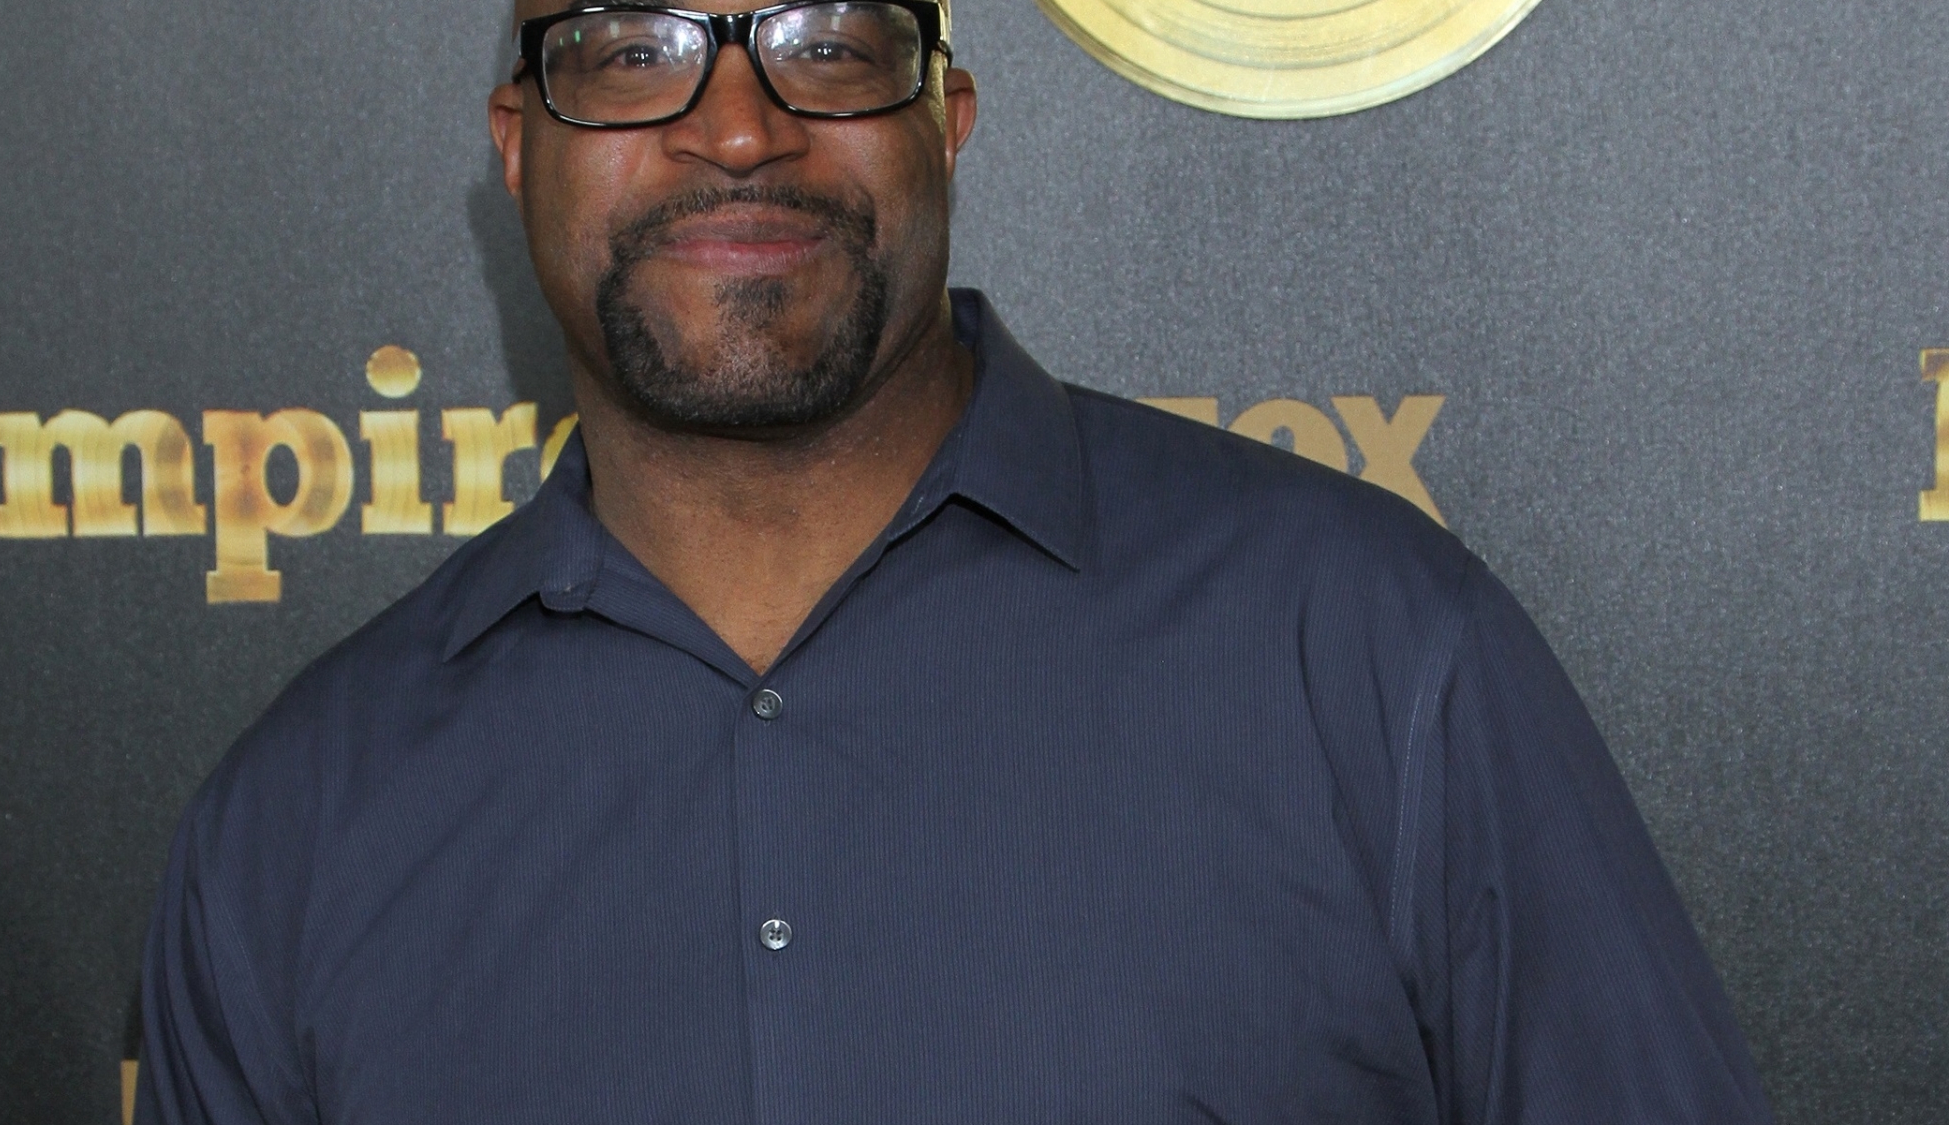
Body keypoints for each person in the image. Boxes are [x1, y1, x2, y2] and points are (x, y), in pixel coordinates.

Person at [135, 0, 1775, 1121]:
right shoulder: (301, 824)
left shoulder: (1369, 656)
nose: (736, 129)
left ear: (948, 118)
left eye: (827, 42)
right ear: (517, 144)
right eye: (631, 49)